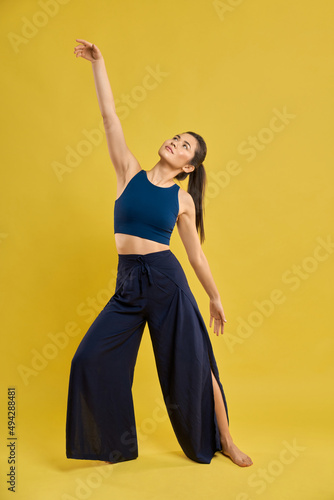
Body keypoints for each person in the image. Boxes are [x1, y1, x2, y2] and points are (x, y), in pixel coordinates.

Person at [66, 38, 253, 468]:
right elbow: (109, 117)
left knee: (198, 364)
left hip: (168, 283)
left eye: (185, 146)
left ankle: (225, 438)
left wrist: (215, 297)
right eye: (176, 137)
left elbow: (196, 257)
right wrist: (99, 63)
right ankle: (113, 445)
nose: (175, 142)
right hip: (129, 283)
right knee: (88, 358)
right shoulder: (128, 171)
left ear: (189, 166)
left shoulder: (182, 200)